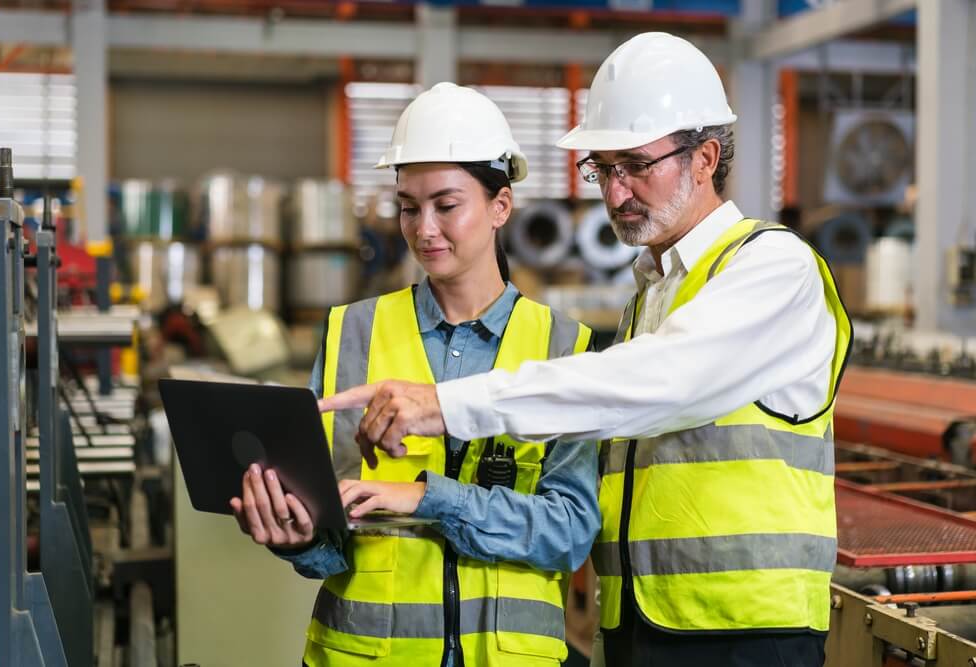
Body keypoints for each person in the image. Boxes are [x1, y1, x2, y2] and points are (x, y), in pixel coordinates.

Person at [320, 33, 852, 667]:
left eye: (636, 165)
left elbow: (659, 384)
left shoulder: (772, 268)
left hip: (747, 632)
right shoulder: (649, 299)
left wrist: (443, 407)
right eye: (604, 168)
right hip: (643, 624)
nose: (616, 193)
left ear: (705, 157)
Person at [230, 82, 601, 667]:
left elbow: (571, 533)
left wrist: (429, 499)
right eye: (409, 206)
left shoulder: (563, 346)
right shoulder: (352, 332)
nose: (424, 228)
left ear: (500, 206)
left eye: (446, 205)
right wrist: (297, 537)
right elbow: (330, 535)